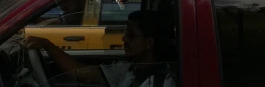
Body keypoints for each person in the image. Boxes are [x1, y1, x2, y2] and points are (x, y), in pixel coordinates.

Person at [25, 8, 176, 87]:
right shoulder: (129, 69)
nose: (124, 38)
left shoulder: (161, 82)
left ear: (149, 43)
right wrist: (48, 46)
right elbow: (80, 72)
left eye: (131, 35)